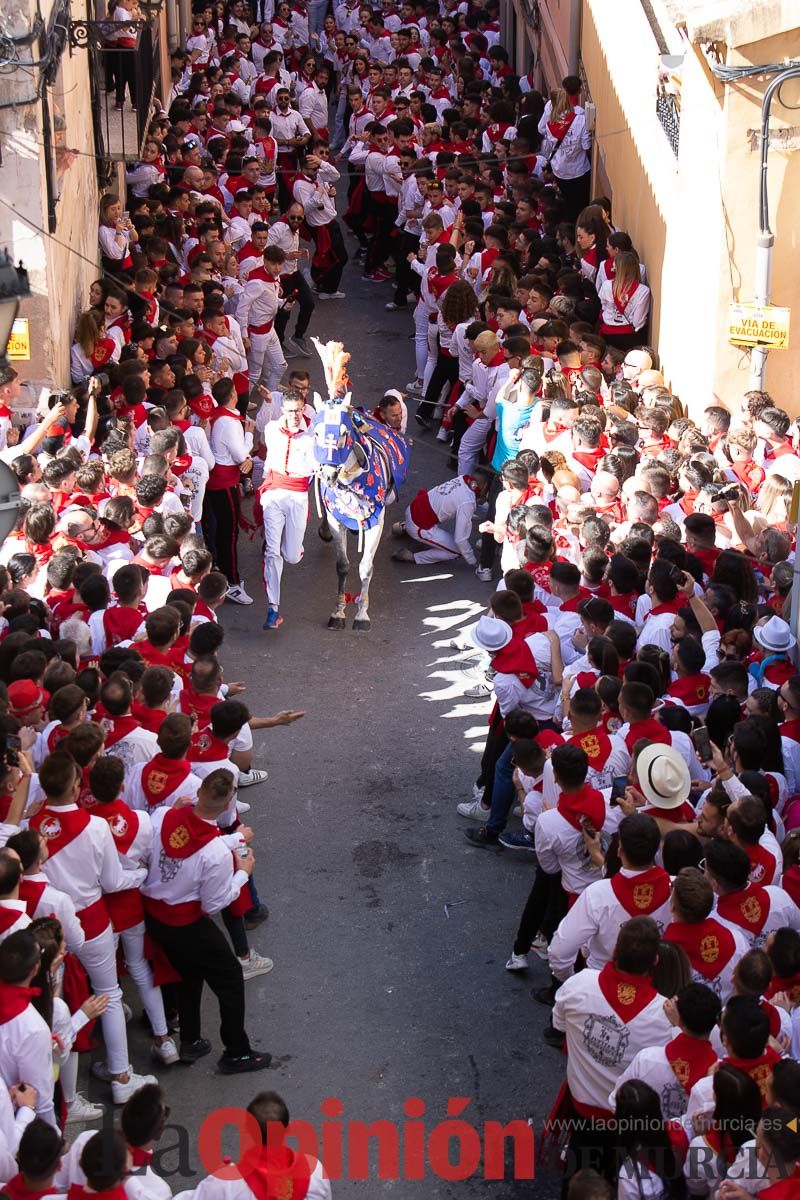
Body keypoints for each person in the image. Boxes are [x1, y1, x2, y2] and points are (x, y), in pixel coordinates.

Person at [141, 769, 270, 1073]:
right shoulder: (214, 853)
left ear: (199, 793)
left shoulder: (162, 816)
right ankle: (236, 1051)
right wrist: (243, 873)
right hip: (185, 923)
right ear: (228, 805)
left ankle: (191, 1040)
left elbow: (194, 840)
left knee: (189, 974)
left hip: (155, 915)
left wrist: (233, 840)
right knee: (229, 977)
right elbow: (214, 902)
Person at [258, 391, 315, 630]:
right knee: (272, 551)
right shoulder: (271, 429)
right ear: (283, 409)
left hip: (298, 496)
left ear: (304, 409)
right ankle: (273, 608)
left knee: (290, 555)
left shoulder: (313, 435)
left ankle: (295, 548)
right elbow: (265, 454)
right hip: (274, 493)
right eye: (290, 410)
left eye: (298, 410)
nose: (294, 415)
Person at [391, 469, 491, 568]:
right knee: (457, 551)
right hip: (418, 525)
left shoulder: (463, 479)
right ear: (480, 486)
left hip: (413, 509)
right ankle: (413, 557)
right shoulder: (467, 503)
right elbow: (460, 540)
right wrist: (472, 560)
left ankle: (405, 527)